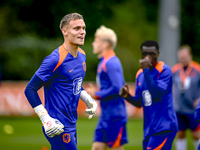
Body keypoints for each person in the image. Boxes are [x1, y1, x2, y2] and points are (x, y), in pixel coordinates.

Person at [24, 13, 97, 150]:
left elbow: (73, 85)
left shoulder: (82, 55)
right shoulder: (54, 59)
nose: (82, 32)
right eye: (76, 28)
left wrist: (87, 99)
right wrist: (45, 119)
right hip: (57, 126)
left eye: (83, 28)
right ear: (65, 31)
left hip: (71, 123)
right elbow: (30, 89)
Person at [119, 40, 178, 150]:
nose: (148, 57)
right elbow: (140, 103)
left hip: (164, 127)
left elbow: (156, 94)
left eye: (151, 53)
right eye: (144, 54)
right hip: (149, 129)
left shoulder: (164, 71)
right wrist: (127, 96)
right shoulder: (140, 74)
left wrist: (146, 70)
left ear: (158, 54)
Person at [86, 25, 128, 150]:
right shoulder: (104, 62)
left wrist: (97, 94)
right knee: (97, 148)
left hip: (114, 117)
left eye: (96, 40)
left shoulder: (111, 62)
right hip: (106, 116)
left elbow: (117, 88)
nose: (93, 43)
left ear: (105, 44)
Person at [172, 45, 200, 150]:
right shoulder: (175, 69)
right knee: (180, 133)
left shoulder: (197, 69)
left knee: (196, 134)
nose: (182, 59)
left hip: (193, 108)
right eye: (181, 57)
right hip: (179, 107)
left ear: (190, 56)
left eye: (184, 57)